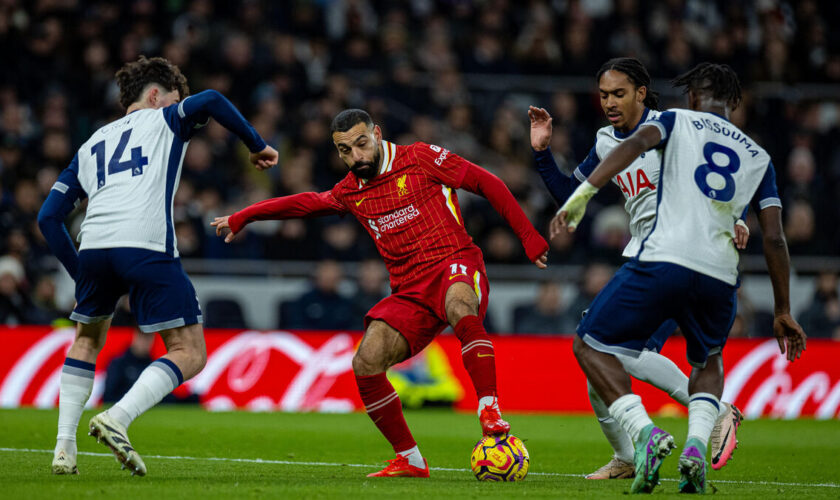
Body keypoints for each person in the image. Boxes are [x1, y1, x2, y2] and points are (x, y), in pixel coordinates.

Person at [212, 108, 549, 478]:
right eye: (344, 151)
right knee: (365, 362)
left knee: (459, 305)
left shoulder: (420, 158)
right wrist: (245, 216)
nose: (356, 157)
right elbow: (305, 204)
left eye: (361, 144)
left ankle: (489, 408)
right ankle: (410, 459)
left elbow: (488, 183)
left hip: (455, 262)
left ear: (377, 133)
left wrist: (528, 236)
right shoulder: (350, 190)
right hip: (409, 291)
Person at [553, 63, 807, 494]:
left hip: (662, 260)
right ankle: (694, 446)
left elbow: (634, 145)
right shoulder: (758, 156)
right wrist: (783, 309)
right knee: (707, 361)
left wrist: (583, 195)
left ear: (692, 97)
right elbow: (777, 239)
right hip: (721, 275)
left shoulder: (674, 120)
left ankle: (644, 433)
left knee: (589, 343)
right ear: (735, 104)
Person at [38, 56, 278, 476]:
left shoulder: (91, 143)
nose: (178, 104)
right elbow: (212, 99)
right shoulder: (165, 118)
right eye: (174, 97)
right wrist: (256, 144)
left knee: (86, 340)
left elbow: (48, 217)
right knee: (190, 351)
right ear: (156, 95)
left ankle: (63, 449)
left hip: (94, 248)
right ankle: (118, 417)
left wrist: (82, 276)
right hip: (145, 245)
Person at [529, 57, 747, 479]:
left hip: (683, 256)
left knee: (609, 349)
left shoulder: (673, 128)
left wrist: (736, 218)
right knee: (599, 366)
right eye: (604, 94)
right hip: (645, 256)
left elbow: (718, 176)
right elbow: (573, 195)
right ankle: (628, 458)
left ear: (641, 93)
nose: (609, 102)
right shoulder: (607, 141)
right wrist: (542, 154)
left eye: (619, 93)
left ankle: (717, 410)